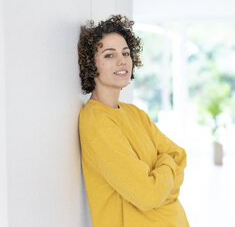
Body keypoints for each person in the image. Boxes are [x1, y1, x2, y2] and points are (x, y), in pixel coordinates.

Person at [77, 15, 189, 227]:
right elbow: (148, 195)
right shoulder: (95, 121)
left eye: (126, 53)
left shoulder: (135, 114)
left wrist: (159, 179)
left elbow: (180, 156)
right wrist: (166, 165)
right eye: (109, 55)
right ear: (91, 64)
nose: (122, 61)